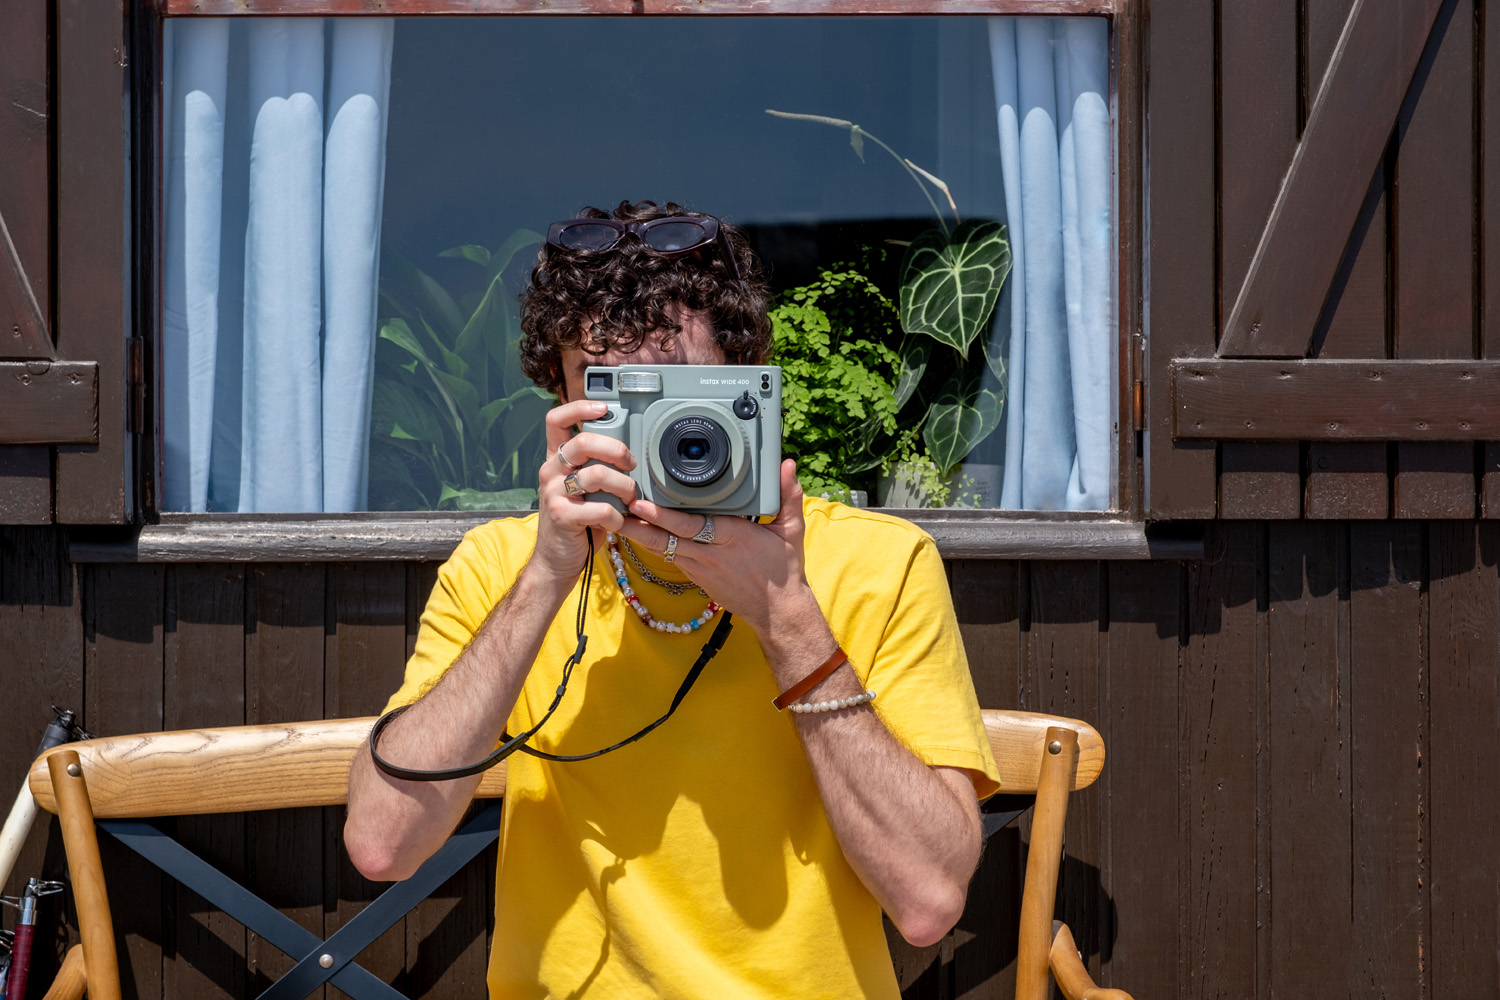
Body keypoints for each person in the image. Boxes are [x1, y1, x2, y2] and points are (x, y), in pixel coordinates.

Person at [345, 200, 1001, 1000]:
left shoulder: (877, 565)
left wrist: (786, 619)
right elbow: (382, 845)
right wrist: (549, 576)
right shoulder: (505, 569)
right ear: (558, 400)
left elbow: (929, 901)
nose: (652, 432)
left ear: (746, 374)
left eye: (678, 388)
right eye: (614, 393)